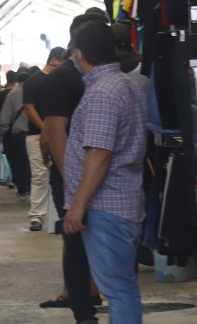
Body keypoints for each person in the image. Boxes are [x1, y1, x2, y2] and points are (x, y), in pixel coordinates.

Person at [63, 21, 147, 324]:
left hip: (106, 207)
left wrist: (78, 204)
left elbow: (100, 154)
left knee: (119, 290)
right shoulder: (126, 84)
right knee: (123, 287)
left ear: (79, 54)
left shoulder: (102, 93)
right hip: (122, 202)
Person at [41, 14, 109, 318]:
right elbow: (54, 133)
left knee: (86, 238)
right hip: (76, 174)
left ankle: (88, 292)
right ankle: (81, 301)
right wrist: (73, 183)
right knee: (76, 237)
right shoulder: (64, 78)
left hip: (95, 174)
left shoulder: (97, 77)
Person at [23, 48, 66, 231]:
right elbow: (29, 107)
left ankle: (55, 214)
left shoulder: (60, 80)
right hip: (36, 135)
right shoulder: (34, 80)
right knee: (40, 175)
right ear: (54, 60)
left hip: (58, 134)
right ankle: (37, 216)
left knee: (59, 173)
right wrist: (45, 128)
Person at [0, 72, 32, 200]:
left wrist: (1, 132)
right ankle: (31, 188)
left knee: (18, 163)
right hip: (34, 134)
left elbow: (5, 116)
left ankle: (22, 190)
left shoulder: (12, 94)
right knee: (32, 163)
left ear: (18, 81)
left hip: (17, 136)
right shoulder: (37, 91)